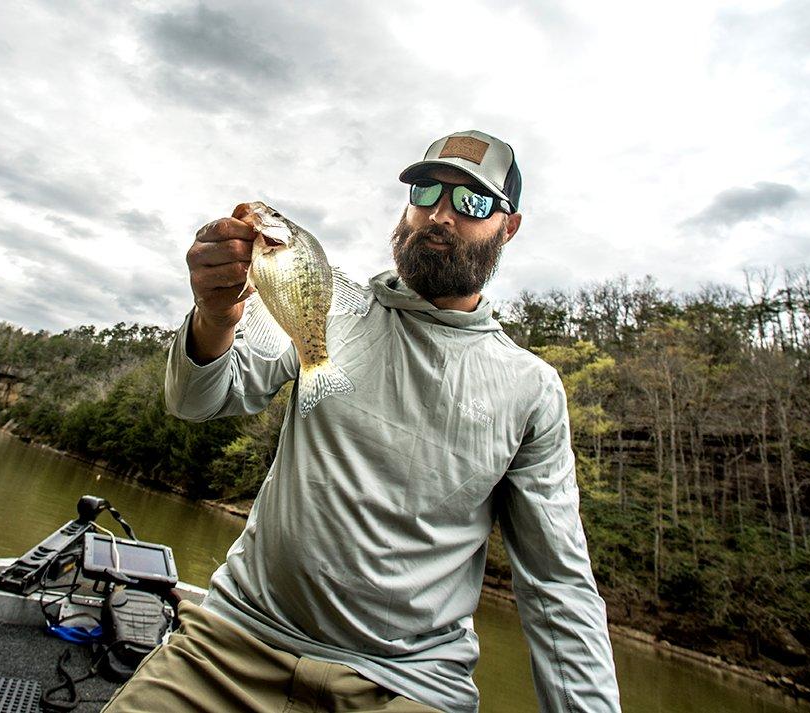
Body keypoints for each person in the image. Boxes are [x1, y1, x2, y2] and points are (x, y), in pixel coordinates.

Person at [103, 130, 622, 712]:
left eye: (472, 202)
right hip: (232, 644)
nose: (440, 215)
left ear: (509, 226)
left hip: (408, 688)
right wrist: (215, 314)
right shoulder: (326, 301)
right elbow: (198, 399)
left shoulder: (531, 388)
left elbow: (558, 588)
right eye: (426, 191)